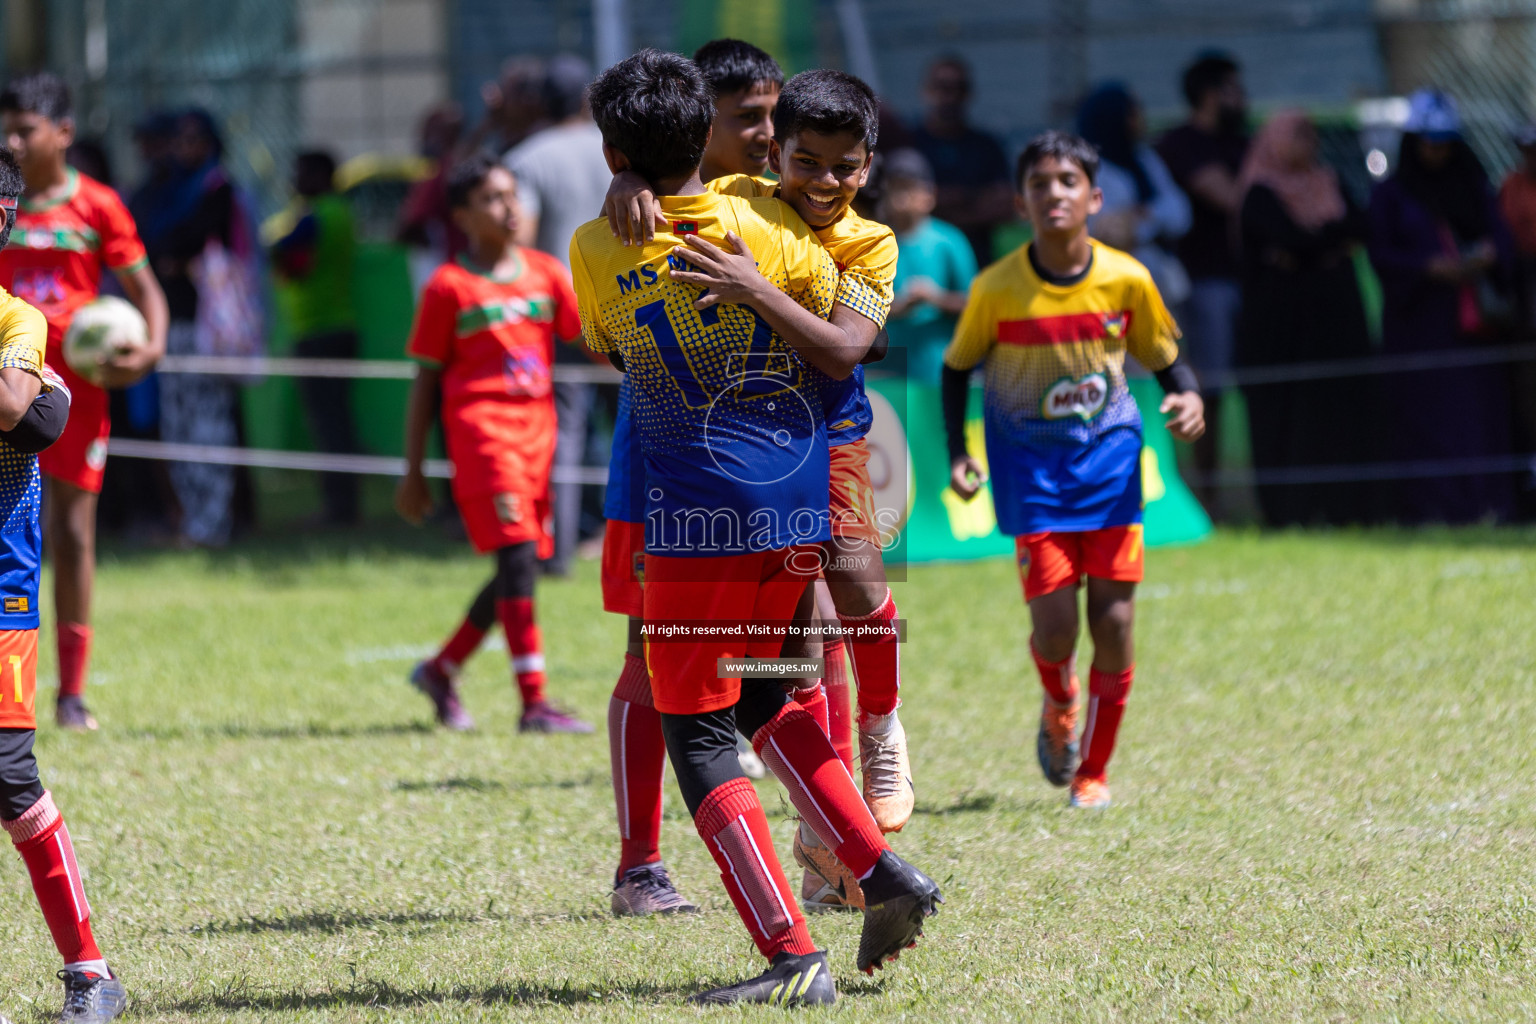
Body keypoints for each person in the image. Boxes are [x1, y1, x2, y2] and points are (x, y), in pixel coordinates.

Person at [571, 49, 941, 1005]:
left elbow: (611, 347)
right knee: (770, 700)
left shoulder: (591, 247)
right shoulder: (772, 225)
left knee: (697, 733)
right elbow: (843, 335)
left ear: (613, 150)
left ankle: (790, 955)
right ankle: (882, 870)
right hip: (794, 508)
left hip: (695, 520)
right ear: (709, 136)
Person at [942, 131, 1205, 811]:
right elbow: (956, 369)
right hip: (1031, 477)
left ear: (1094, 196)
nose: (1053, 193)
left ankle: (1093, 770)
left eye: (1066, 181)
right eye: (1039, 183)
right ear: (1019, 200)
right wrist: (958, 454)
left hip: (1113, 469)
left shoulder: (1126, 278)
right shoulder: (997, 288)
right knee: (1056, 627)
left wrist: (1189, 396)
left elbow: (1168, 358)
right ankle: (1059, 699)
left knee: (1114, 625)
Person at [597, 37, 782, 920]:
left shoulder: (778, 201)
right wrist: (629, 185)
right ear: (700, 126)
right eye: (748, 117)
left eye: (773, 114)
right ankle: (641, 867)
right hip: (663, 463)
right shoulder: (627, 220)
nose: (768, 132)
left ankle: (834, 843)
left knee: (803, 644)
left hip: (773, 467)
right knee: (648, 650)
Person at [396, 155, 593, 735]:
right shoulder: (449, 286)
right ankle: (534, 703)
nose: (510, 209)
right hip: (484, 441)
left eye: (513, 197)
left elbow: (594, 343)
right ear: (461, 215)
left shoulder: (546, 274)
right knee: (516, 560)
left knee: (520, 563)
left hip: (540, 440)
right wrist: (413, 472)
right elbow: (424, 383)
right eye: (492, 199)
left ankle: (441, 668)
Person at [0, 146, 128, 1022]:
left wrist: (38, 400)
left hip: (0, 591)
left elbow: (18, 408)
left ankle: (90, 971)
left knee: (6, 772)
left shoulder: (19, 319)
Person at [0, 73, 168, 731]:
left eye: (25, 130)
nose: (12, 140)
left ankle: (70, 694)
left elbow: (146, 289)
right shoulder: (4, 201)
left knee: (72, 533)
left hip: (72, 398)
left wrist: (150, 350)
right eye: (6, 128)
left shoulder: (97, 206)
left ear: (63, 134)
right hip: (7, 390)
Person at [1368, 89, 1516, 524]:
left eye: (1446, 142)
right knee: (1427, 420)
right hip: (1419, 329)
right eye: (1429, 142)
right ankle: (1435, 508)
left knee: (1480, 418)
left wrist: (1489, 254)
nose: (1438, 151)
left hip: (1473, 332)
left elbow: (1503, 239)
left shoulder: (1472, 185)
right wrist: (1428, 268)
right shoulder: (1391, 194)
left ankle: (1489, 504)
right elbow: (1380, 255)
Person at [1235, 111, 1374, 526]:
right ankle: (1292, 511)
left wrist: (1305, 250)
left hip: (1336, 324)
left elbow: (1359, 225)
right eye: (1298, 136)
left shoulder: (1328, 181)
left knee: (1340, 411)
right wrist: (1329, 241)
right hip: (1283, 332)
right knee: (1291, 417)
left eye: (1311, 136)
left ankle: (1347, 507)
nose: (1308, 145)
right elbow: (1286, 237)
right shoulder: (1259, 193)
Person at [504, 54, 613, 577]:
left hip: (565, 315)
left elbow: (518, 238)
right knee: (648, 428)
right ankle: (653, 549)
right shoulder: (621, 149)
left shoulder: (529, 157)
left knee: (563, 434)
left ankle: (561, 552)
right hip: (634, 307)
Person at [144, 109, 250, 549]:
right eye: (179, 139)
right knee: (178, 428)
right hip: (172, 326)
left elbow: (192, 239)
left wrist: (174, 256)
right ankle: (193, 521)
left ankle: (214, 522)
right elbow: (154, 244)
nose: (185, 148)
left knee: (210, 427)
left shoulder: (219, 188)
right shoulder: (168, 190)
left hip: (208, 329)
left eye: (194, 139)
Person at [1155, 53, 1249, 517]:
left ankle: (1246, 489)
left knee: (1246, 385)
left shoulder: (1240, 143)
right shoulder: (1181, 144)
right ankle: (1205, 496)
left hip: (1248, 281)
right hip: (1201, 285)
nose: (1243, 97)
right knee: (1204, 387)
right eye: (1234, 88)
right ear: (1211, 93)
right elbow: (1230, 197)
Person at [270, 150, 362, 526]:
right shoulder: (338, 213)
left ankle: (339, 509)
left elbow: (278, 251)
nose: (295, 180)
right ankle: (343, 506)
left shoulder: (317, 215)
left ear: (323, 176)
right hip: (334, 328)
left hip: (319, 332)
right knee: (336, 423)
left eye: (302, 173)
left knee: (329, 426)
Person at [1076, 82, 1191, 307]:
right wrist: (1146, 219)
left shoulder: (1144, 160)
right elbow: (1105, 230)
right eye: (1132, 112)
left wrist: (1145, 213)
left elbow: (1181, 215)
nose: (1140, 118)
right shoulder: (1086, 170)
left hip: (1158, 278)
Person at [879, 148, 977, 386]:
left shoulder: (949, 241)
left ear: (929, 195)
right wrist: (897, 309)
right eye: (895, 188)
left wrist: (936, 298)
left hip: (938, 372)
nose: (901, 197)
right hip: (884, 373)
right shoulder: (874, 241)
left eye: (909, 188)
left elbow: (976, 304)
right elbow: (854, 307)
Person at [908, 56, 1013, 266]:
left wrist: (940, 205)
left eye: (958, 88)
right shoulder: (910, 144)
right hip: (924, 262)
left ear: (968, 93)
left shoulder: (986, 146)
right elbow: (900, 202)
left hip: (979, 257)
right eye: (942, 87)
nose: (950, 96)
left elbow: (1005, 205)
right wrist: (972, 199)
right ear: (926, 91)